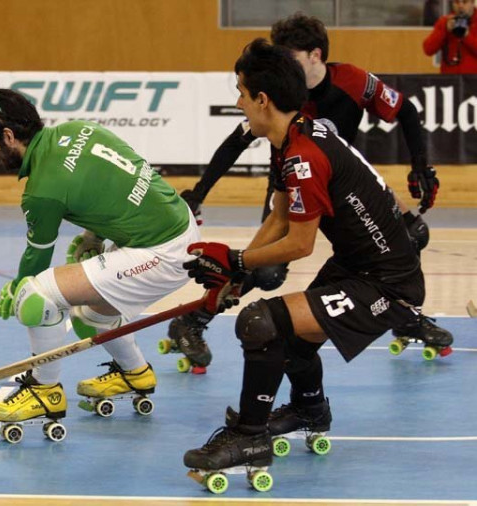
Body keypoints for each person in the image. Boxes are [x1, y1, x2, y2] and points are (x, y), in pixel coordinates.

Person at [182, 38, 435, 490]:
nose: (238, 103)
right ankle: (308, 409)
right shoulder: (292, 138)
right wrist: (235, 276)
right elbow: (279, 217)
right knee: (291, 336)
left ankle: (249, 437)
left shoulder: (304, 155)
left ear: (262, 100)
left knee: (262, 323)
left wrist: (236, 258)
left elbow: (299, 244)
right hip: (358, 266)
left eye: (241, 93)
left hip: (387, 286)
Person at [166, 12, 449, 373]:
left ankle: (403, 316)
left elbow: (406, 110)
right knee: (267, 271)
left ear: (315, 55)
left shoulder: (353, 81)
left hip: (346, 184)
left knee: (412, 234)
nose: (284, 64)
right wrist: (201, 191)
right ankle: (194, 320)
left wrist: (421, 167)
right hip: (295, 181)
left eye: (292, 57)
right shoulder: (282, 93)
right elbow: (236, 142)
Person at [0, 89, 207, 433]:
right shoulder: (78, 130)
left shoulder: (42, 190)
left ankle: (44, 390)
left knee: (36, 297)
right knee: (90, 315)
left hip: (162, 251)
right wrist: (94, 235)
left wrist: (17, 290)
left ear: (8, 136)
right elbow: (118, 179)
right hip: (177, 223)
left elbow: (34, 265)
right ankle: (136, 374)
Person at [423, 0, 477, 74]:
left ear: (473, 3)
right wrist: (444, 30)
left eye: (465, 2)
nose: (460, 6)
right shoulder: (445, 21)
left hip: (473, 79)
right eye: (457, 2)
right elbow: (428, 50)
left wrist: (467, 36)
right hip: (450, 79)